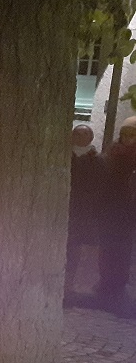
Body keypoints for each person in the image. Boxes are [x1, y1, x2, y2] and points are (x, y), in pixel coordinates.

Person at [97, 116, 136, 311]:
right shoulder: (113, 152)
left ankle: (118, 286)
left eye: (133, 134)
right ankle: (106, 284)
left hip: (129, 209)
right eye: (126, 133)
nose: (129, 137)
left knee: (124, 249)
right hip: (112, 207)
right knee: (109, 247)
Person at [67, 124, 105, 301]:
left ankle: (68, 285)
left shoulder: (97, 160)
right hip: (65, 209)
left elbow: (100, 187)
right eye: (77, 133)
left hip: (83, 212)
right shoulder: (65, 156)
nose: (81, 136)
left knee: (74, 250)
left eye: (84, 133)